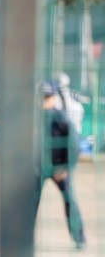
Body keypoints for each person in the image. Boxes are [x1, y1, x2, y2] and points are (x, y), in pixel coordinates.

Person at [35, 82, 86, 248]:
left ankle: (80, 240)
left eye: (47, 97)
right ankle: (20, 240)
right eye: (41, 97)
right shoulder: (31, 118)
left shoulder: (61, 117)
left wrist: (66, 167)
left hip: (60, 168)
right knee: (28, 203)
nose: (44, 101)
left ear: (53, 98)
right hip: (38, 168)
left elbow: (74, 145)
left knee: (69, 200)